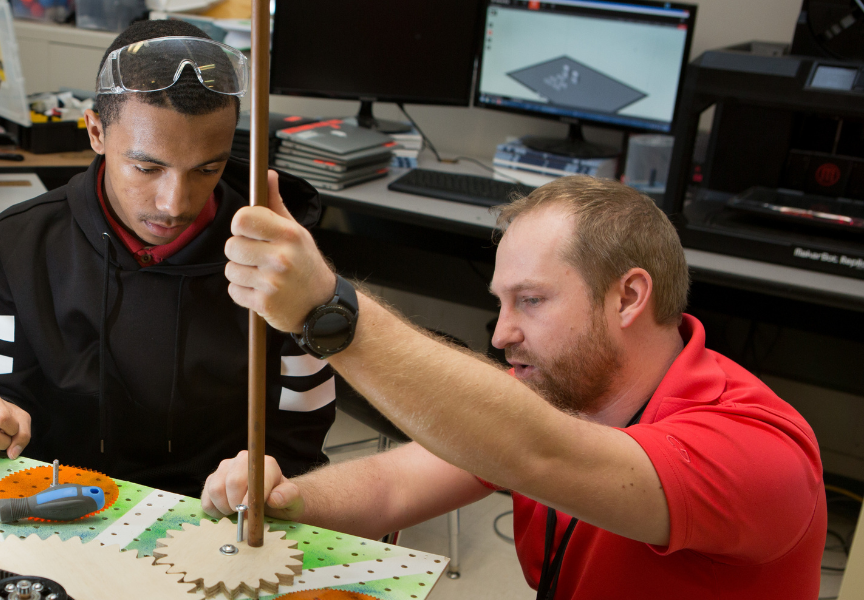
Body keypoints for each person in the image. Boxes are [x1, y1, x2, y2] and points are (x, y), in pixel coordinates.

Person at [203, 175, 825, 598]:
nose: (501, 334)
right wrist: (283, 499)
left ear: (630, 297)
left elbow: (539, 451)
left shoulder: (758, 453)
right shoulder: (564, 393)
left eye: (530, 300)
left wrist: (327, 311)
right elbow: (394, 483)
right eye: (501, 304)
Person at [0, 20, 338, 498]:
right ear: (95, 131)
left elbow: (302, 433)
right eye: (147, 167)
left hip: (213, 518)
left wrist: (271, 470)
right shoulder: (19, 242)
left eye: (207, 169)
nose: (175, 203)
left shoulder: (280, 259)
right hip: (59, 507)